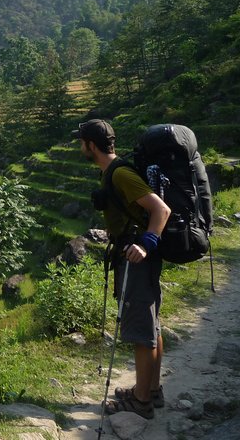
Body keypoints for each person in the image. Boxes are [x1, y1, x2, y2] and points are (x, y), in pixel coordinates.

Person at [73, 119, 171, 419]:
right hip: (134, 255)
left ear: (91, 145)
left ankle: (141, 402)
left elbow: (160, 209)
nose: (80, 147)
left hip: (136, 258)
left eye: (82, 142)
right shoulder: (114, 172)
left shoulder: (121, 175)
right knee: (151, 324)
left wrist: (146, 243)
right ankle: (151, 390)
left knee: (141, 329)